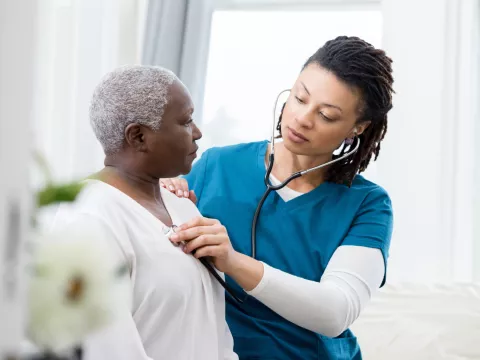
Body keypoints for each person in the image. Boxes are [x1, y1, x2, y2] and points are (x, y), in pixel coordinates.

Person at [161, 36, 394, 359]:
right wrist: (160, 196)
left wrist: (233, 261)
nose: (302, 118)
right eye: (300, 98)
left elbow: (335, 313)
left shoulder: (367, 204)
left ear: (357, 128)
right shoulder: (216, 166)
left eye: (326, 115)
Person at [49, 65, 238, 360]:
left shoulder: (181, 205)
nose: (198, 133)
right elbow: (107, 352)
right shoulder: (87, 222)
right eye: (186, 121)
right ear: (138, 137)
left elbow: (213, 332)